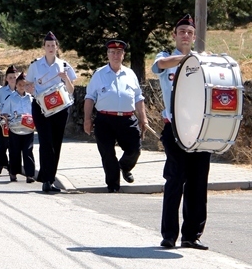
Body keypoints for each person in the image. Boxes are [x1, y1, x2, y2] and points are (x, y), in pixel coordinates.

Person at [152, 14, 211, 250]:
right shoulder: (165, 57)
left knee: (198, 183)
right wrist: (188, 59)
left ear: (194, 37)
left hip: (200, 130)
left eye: (189, 32)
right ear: (174, 35)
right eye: (182, 32)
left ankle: (191, 236)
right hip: (175, 128)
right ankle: (169, 235)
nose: (185, 35)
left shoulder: (202, 62)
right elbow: (159, 66)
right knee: (175, 180)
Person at [84, 39, 147, 193]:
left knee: (135, 149)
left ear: (123, 55)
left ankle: (124, 166)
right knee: (107, 153)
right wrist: (87, 119)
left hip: (127, 119)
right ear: (108, 54)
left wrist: (143, 118)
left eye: (119, 52)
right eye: (112, 52)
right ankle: (113, 185)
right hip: (105, 120)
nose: (115, 56)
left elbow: (138, 97)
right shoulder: (99, 74)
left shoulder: (130, 74)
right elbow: (90, 97)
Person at [25, 32, 76, 193]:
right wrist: (30, 89)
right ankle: (46, 179)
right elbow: (27, 85)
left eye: (53, 45)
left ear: (57, 47)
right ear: (44, 47)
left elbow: (71, 90)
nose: (50, 48)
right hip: (41, 108)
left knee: (56, 143)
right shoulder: (35, 65)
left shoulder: (64, 65)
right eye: (48, 45)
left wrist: (65, 78)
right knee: (46, 142)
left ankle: (50, 178)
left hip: (60, 108)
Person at [0, 72, 37, 183]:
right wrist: (6, 122)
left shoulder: (31, 98)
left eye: (24, 85)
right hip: (14, 128)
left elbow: (35, 113)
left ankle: (30, 175)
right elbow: (5, 112)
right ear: (16, 85)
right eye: (20, 84)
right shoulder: (11, 98)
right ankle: (13, 173)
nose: (22, 87)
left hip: (28, 128)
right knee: (14, 151)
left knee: (28, 151)